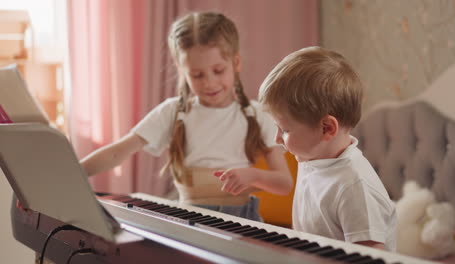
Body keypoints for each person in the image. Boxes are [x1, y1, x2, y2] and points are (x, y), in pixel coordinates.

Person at [80, 11, 293, 221]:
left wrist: (253, 176)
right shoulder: (173, 112)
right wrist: (74, 172)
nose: (209, 83)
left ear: (236, 63)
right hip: (190, 221)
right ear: (182, 71)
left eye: (218, 70)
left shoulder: (257, 115)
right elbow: (118, 152)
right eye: (197, 75)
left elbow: (284, 183)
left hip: (242, 222)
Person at [258, 46, 396, 251]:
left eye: (285, 130)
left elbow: (370, 257)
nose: (277, 138)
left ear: (327, 128)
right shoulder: (311, 158)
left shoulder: (354, 186)